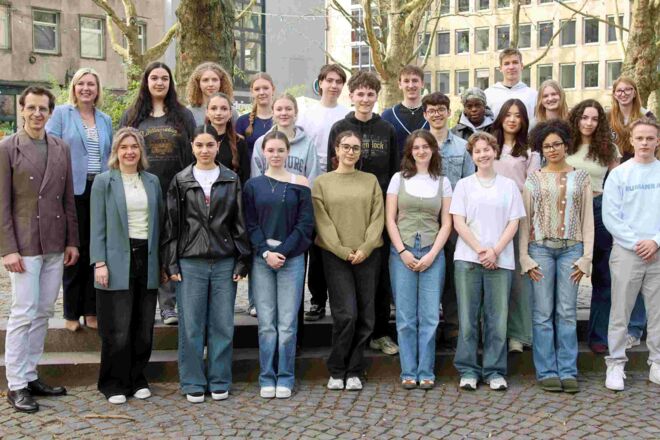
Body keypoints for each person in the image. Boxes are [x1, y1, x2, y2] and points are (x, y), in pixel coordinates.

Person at [1, 86, 79, 413]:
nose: (37, 114)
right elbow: (2, 203)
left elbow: (68, 199)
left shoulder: (60, 147)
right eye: (31, 107)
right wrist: (8, 248)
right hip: (24, 243)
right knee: (24, 311)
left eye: (42, 108)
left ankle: (31, 374)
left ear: (50, 112)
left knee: (44, 311)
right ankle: (15, 383)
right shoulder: (7, 148)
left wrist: (72, 240)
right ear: (21, 109)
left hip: (55, 241)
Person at [162, 125, 251, 403]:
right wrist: (172, 264)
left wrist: (242, 260)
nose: (204, 150)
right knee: (191, 325)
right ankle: (192, 380)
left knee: (222, 324)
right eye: (199, 145)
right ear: (192, 146)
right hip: (191, 261)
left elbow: (239, 222)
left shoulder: (230, 179)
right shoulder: (181, 180)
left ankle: (220, 379)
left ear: (217, 146)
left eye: (209, 145)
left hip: (224, 260)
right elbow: (172, 225)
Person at [327, 71, 399, 356]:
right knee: (345, 274)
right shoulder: (340, 127)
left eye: (371, 94)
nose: (365, 99)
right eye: (360, 93)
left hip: (379, 211)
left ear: (376, 97)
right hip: (347, 210)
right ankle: (349, 333)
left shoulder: (387, 129)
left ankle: (379, 333)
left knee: (378, 277)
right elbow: (331, 168)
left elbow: (394, 172)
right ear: (351, 95)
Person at [566, 99, 646, 354]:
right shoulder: (565, 143)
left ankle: (599, 335)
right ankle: (565, 337)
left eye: (594, 118)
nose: (589, 123)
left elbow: (618, 182)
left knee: (604, 275)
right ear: (576, 118)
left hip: (599, 209)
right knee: (568, 272)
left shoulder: (608, 148)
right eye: (584, 117)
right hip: (568, 211)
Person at [520, 120, 594, 393]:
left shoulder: (581, 177)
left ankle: (568, 370)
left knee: (567, 312)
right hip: (539, 249)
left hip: (571, 250)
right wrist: (524, 256)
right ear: (540, 149)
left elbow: (588, 219)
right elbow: (525, 220)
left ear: (566, 145)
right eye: (546, 146)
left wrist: (586, 257)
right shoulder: (533, 179)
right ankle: (547, 371)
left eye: (556, 144)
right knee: (542, 313)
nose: (552, 150)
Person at [90, 127, 163, 404]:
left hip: (147, 256)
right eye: (124, 147)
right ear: (116, 152)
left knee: (143, 327)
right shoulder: (104, 182)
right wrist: (99, 262)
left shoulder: (152, 181)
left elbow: (160, 223)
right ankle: (113, 383)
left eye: (134, 147)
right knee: (117, 328)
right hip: (115, 258)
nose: (129, 152)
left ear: (141, 151)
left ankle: (137, 378)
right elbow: (97, 225)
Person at [120, 61, 196, 326]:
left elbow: (192, 153)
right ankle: (146, 305)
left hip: (176, 191)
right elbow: (122, 150)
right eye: (154, 78)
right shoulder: (133, 116)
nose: (160, 82)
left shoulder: (183, 115)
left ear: (170, 83)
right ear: (146, 81)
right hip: (142, 192)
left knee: (172, 247)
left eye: (165, 78)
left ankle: (170, 305)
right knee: (147, 246)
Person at [450, 131, 525, 391]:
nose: (483, 154)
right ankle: (468, 369)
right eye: (477, 151)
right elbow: (458, 222)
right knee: (468, 318)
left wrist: (495, 251)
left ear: (495, 152)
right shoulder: (464, 185)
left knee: (497, 319)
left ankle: (494, 370)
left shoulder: (508, 186)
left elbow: (513, 222)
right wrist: (481, 250)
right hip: (468, 260)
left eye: (487, 149)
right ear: (472, 156)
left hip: (500, 261)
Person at [243, 131, 314, 399]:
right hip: (262, 260)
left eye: (280, 150)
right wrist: (265, 252)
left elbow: (305, 225)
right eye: (270, 150)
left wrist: (282, 252)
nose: (275, 155)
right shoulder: (253, 186)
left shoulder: (300, 183)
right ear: (263, 152)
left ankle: (285, 376)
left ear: (287, 152)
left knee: (287, 323)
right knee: (266, 324)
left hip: (291, 259)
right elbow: (250, 224)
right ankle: (266, 376)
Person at [313, 130, 384, 391]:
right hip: (335, 257)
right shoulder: (322, 183)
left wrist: (366, 247)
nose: (350, 152)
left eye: (355, 148)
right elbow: (322, 222)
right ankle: (337, 369)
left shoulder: (370, 181)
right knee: (346, 315)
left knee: (365, 316)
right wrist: (343, 251)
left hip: (368, 255)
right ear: (336, 149)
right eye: (346, 146)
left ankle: (354, 369)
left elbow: (378, 217)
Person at [46, 67, 112, 332]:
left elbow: (109, 155)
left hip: (100, 189)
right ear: (74, 88)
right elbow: (51, 150)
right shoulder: (62, 114)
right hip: (72, 191)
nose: (86, 88)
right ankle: (72, 312)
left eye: (91, 84)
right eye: (81, 83)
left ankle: (91, 310)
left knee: (96, 250)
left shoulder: (105, 119)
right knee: (74, 250)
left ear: (97, 89)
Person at [386, 130, 452, 390]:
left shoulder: (442, 182)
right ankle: (408, 370)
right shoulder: (398, 179)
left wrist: (433, 254)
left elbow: (446, 223)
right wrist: (402, 251)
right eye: (416, 147)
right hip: (401, 251)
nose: (421, 151)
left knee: (429, 315)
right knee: (405, 316)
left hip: (432, 251)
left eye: (426, 146)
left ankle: (426, 370)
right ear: (410, 152)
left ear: (433, 149)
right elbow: (390, 219)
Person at [602, 117, 660, 391]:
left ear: (657, 141)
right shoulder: (620, 174)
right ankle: (615, 363)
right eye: (640, 138)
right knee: (620, 311)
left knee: (657, 312)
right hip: (627, 252)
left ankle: (656, 362)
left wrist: (655, 241)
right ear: (632, 141)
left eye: (650, 138)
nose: (645, 143)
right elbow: (611, 216)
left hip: (658, 252)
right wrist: (637, 243)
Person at [297, 64, 349, 322]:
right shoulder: (306, 115)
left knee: (334, 244)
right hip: (312, 186)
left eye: (339, 81)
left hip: (340, 187)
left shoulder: (347, 115)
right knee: (314, 245)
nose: (334, 85)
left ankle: (340, 301)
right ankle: (316, 299)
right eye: (329, 80)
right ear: (320, 83)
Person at [423, 92, 475, 348]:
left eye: (441, 109)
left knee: (455, 276)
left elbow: (469, 183)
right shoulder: (419, 145)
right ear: (425, 114)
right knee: (431, 274)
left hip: (456, 221)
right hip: (427, 220)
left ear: (448, 112)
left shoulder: (462, 147)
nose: (437, 114)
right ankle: (430, 327)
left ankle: (454, 327)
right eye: (432, 110)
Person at [492, 98, 541, 353]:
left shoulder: (530, 151)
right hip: (490, 218)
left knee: (518, 280)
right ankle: (493, 332)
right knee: (494, 277)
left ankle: (518, 335)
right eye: (508, 114)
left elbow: (531, 188)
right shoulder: (489, 145)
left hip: (518, 217)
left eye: (518, 115)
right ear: (501, 117)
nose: (512, 119)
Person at [252, 93, 320, 184]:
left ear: (295, 112)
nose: (284, 113)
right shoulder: (261, 142)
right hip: (267, 193)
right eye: (279, 109)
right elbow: (256, 179)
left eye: (288, 109)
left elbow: (313, 179)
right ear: (273, 113)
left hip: (298, 192)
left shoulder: (308, 144)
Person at [381, 65, 429, 154]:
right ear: (400, 84)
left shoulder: (431, 114)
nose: (411, 85)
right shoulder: (388, 116)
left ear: (422, 84)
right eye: (406, 81)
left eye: (415, 81)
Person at [205, 92, 250, 183]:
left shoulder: (239, 143)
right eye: (213, 108)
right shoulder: (198, 142)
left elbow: (245, 177)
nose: (218, 113)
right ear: (207, 112)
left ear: (230, 113)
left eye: (224, 109)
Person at [608, 76, 657, 161]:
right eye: (619, 90)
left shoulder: (647, 117)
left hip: (639, 165)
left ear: (634, 93)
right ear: (614, 94)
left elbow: (654, 146)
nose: (623, 94)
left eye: (628, 89)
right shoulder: (606, 116)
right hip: (612, 165)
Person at [484, 48, 537, 125]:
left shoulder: (533, 95)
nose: (511, 67)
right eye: (506, 63)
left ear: (521, 66)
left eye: (515, 62)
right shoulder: (488, 95)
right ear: (500, 68)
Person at [236, 73, 275, 159]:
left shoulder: (281, 120)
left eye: (265, 88)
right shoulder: (242, 121)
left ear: (273, 89)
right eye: (257, 89)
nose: (261, 92)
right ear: (252, 92)